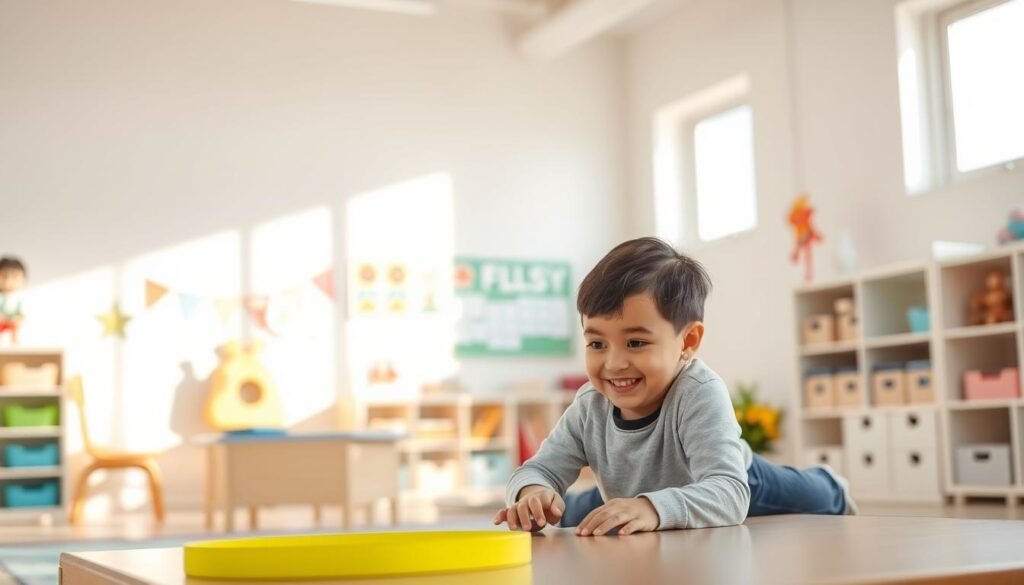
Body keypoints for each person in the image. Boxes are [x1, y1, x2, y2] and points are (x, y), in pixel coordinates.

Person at [494, 237, 855, 536]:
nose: (614, 363)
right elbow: (537, 469)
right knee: (581, 513)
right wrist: (532, 492)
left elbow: (729, 493)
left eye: (635, 343)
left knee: (812, 496)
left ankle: (829, 485)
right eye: (597, 344)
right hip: (635, 492)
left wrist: (653, 508)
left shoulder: (698, 391)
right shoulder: (591, 405)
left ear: (688, 341)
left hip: (733, 481)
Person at [0, 256, 27, 344]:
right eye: (4, 276)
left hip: (12, 320)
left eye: (14, 277)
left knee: (17, 323)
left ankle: (15, 341)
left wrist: (18, 318)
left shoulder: (19, 299)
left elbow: (20, 312)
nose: (9, 281)